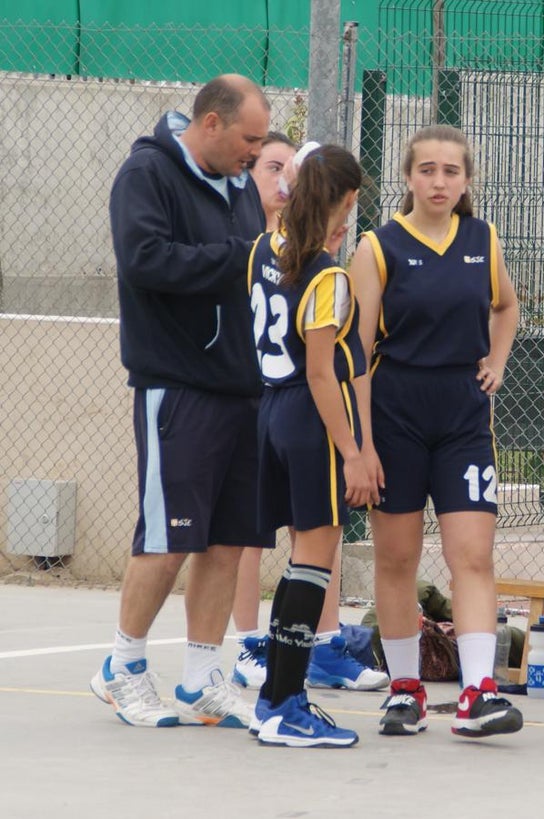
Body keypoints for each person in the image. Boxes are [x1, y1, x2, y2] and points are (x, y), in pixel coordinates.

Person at [90, 74, 272, 728]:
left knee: (226, 540)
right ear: (212, 123)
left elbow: (250, 266)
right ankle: (122, 665)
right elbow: (145, 261)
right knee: (166, 538)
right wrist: (236, 258)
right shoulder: (147, 174)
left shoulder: (241, 183)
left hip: (241, 389)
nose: (256, 153)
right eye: (249, 139)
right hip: (177, 386)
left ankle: (201, 677)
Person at [348, 125, 523, 739]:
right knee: (397, 558)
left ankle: (478, 690)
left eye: (451, 171)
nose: (439, 181)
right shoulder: (378, 247)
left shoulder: (484, 239)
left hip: (463, 418)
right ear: (408, 177)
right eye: (427, 170)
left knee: (472, 555)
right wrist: (361, 446)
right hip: (396, 416)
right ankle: (405, 689)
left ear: (467, 180)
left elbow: (506, 307)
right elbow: (356, 354)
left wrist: (497, 360)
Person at [231, 134, 387, 695]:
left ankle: (281, 684)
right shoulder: (327, 277)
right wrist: (352, 452)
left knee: (301, 556)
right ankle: (284, 699)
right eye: (351, 203)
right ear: (341, 201)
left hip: (270, 408)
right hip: (308, 415)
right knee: (314, 557)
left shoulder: (262, 248)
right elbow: (323, 373)